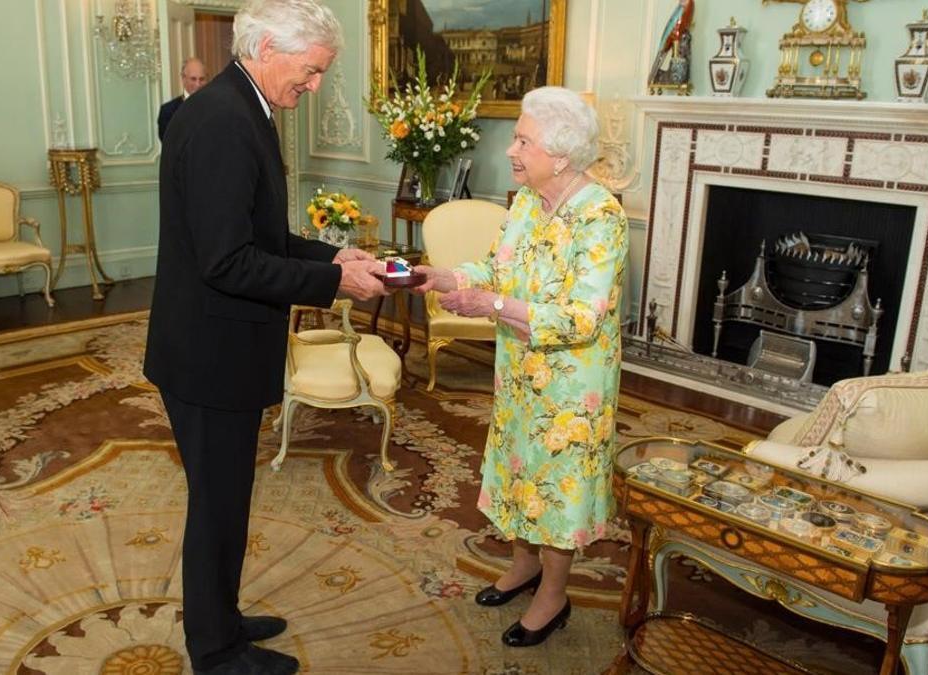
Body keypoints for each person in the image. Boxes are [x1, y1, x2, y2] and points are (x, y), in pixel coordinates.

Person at [142, 0, 387, 672]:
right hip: (208, 355)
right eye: (310, 72)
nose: (312, 87)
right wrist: (332, 286)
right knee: (218, 505)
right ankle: (217, 652)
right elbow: (228, 262)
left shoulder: (237, 105)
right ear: (268, 47)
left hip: (211, 347)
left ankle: (220, 616)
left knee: (223, 498)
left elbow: (258, 237)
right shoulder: (225, 119)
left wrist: (331, 258)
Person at [412, 86, 628, 648]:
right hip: (520, 366)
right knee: (519, 467)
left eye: (523, 139)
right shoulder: (529, 200)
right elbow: (495, 265)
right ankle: (523, 565)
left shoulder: (601, 216)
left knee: (557, 484)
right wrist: (446, 277)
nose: (510, 149)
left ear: (560, 155)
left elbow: (583, 317)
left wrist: (495, 307)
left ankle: (554, 595)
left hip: (571, 382)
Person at [158, 58, 208, 141]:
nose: (198, 84)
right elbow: (168, 145)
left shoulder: (216, 107)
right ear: (183, 79)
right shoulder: (168, 111)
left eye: (202, 79)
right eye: (193, 79)